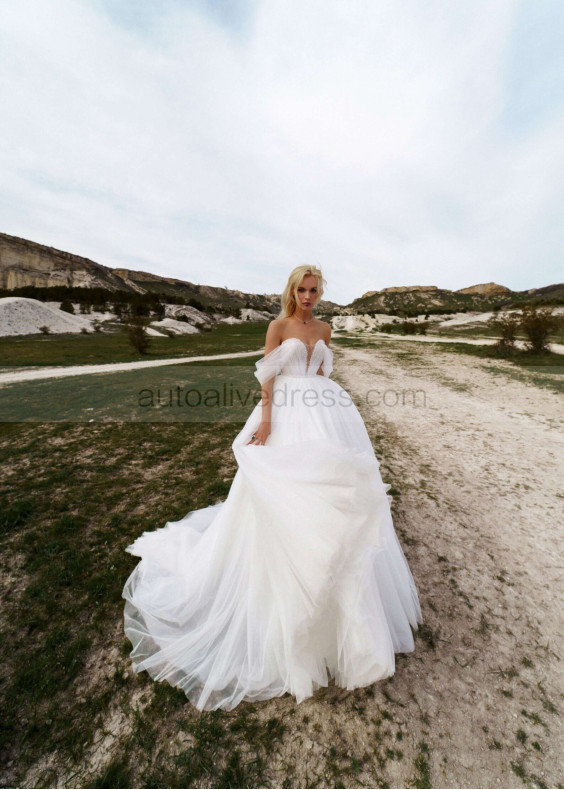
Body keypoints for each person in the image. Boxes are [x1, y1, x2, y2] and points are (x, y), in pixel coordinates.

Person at [122, 265, 423, 711]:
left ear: (320, 292)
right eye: (301, 289)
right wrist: (266, 421)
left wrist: (331, 415)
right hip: (285, 412)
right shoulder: (277, 326)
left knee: (337, 499)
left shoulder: (326, 326)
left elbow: (322, 374)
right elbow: (268, 378)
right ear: (291, 291)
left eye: (313, 289)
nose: (307, 295)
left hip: (324, 412)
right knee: (285, 500)